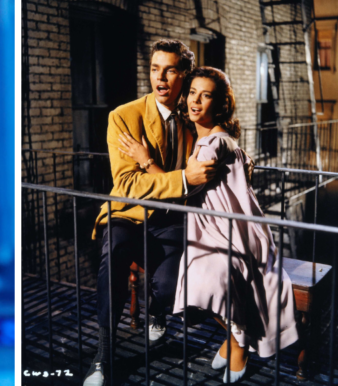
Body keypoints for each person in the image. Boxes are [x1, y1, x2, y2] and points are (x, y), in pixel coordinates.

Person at [119, 66, 298, 383]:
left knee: (200, 282)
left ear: (220, 104)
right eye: (191, 93)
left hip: (224, 229)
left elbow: (180, 190)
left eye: (206, 95)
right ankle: (232, 339)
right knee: (198, 278)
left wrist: (144, 159)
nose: (195, 101)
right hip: (237, 225)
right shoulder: (219, 138)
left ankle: (239, 339)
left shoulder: (209, 145)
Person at [83, 40, 218, 386]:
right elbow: (127, 183)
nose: (160, 78)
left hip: (171, 217)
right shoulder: (124, 117)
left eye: (170, 70)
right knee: (112, 258)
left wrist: (150, 164)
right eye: (155, 69)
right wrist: (182, 180)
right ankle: (102, 356)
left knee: (169, 285)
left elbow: (211, 159)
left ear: (183, 75)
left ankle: (157, 311)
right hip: (128, 213)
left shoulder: (192, 118)